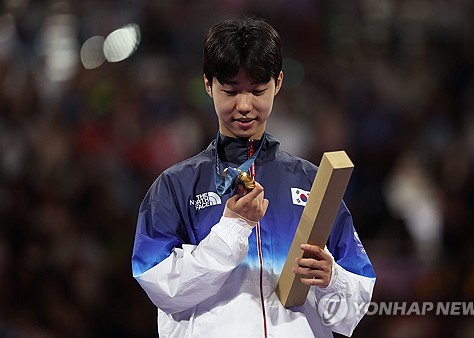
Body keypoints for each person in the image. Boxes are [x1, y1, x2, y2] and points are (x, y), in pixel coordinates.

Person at [132, 16, 375, 337]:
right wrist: (232, 227)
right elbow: (162, 289)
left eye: (258, 90)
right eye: (230, 91)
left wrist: (333, 279)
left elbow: (353, 311)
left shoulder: (313, 183)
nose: (244, 105)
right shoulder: (174, 186)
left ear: (278, 83)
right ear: (208, 85)